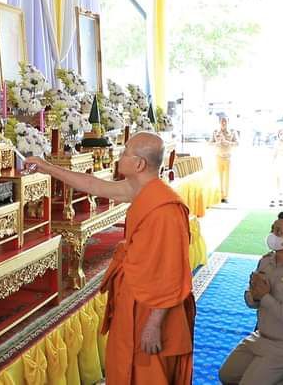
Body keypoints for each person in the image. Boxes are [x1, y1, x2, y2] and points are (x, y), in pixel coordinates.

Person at [25, 132, 195, 384]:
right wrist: (47, 167)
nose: (119, 156)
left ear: (139, 164)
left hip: (153, 309)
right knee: (123, 365)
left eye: (125, 152)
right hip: (133, 297)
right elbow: (92, 185)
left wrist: (154, 324)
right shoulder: (141, 188)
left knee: (148, 373)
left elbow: (173, 272)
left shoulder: (166, 210)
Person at [219, 212, 283, 385]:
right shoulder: (265, 261)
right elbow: (251, 299)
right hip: (261, 337)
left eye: (279, 232)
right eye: (272, 229)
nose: (272, 235)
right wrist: (254, 296)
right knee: (226, 375)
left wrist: (265, 297)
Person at [210, 117, 239, 203]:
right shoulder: (215, 132)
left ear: (228, 122)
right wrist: (217, 143)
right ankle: (220, 195)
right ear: (219, 122)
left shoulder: (232, 132)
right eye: (222, 121)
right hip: (218, 157)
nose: (223, 123)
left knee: (227, 178)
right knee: (219, 177)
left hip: (228, 158)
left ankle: (226, 197)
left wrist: (227, 142)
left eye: (225, 121)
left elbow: (237, 143)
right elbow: (209, 143)